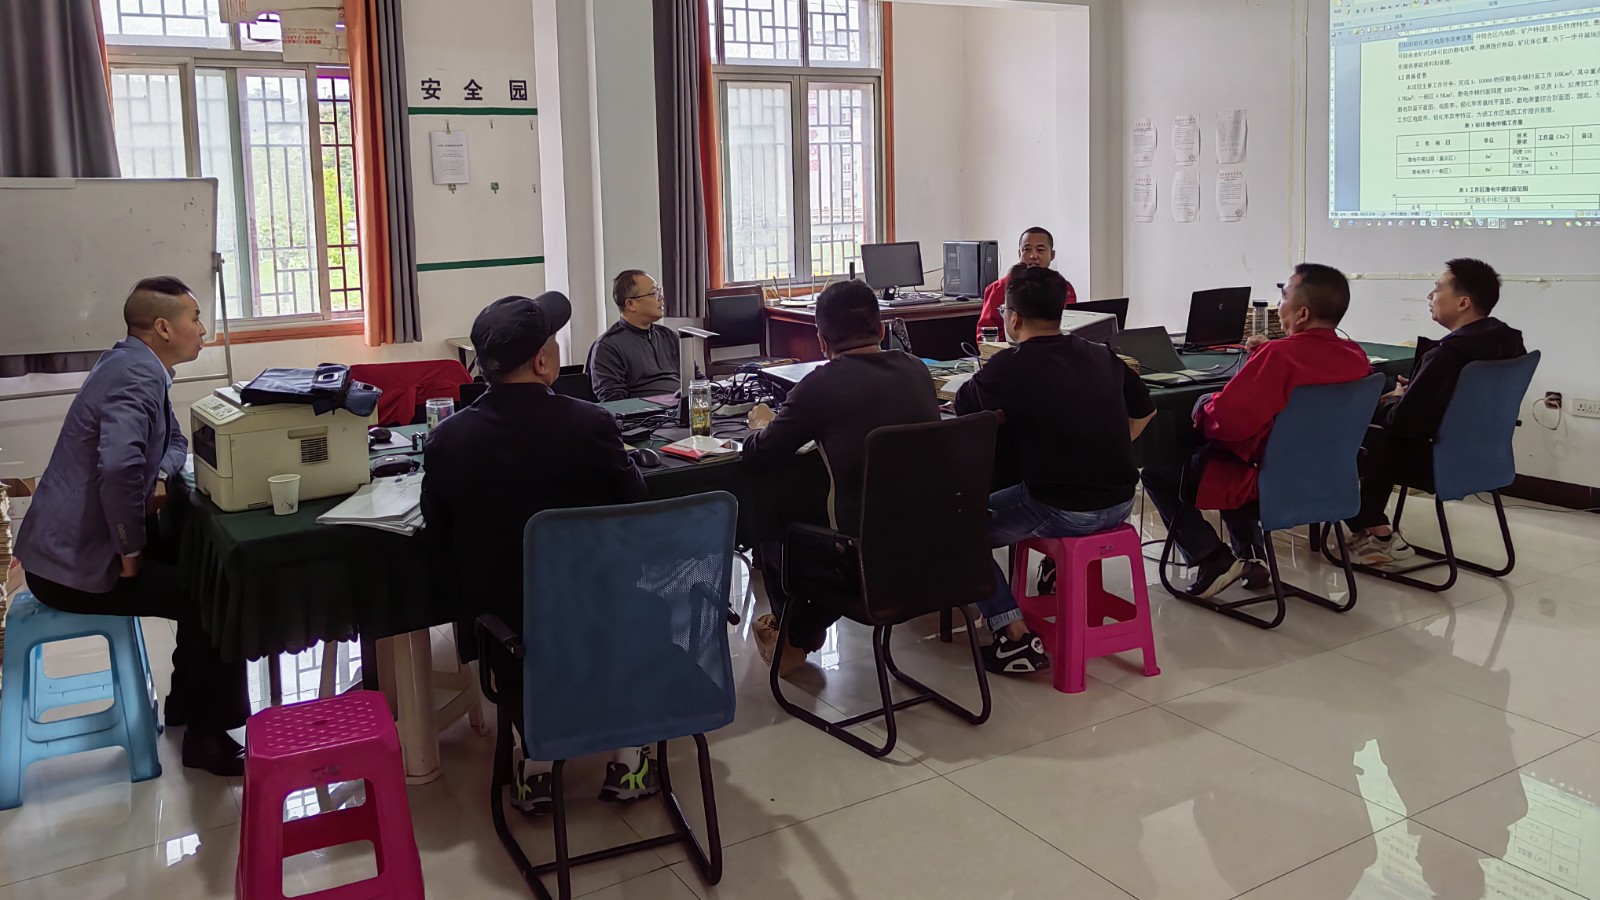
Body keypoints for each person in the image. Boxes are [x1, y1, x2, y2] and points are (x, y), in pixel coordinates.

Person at [422, 292, 656, 813]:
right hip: (602, 621)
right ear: (544, 361)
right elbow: (636, 508)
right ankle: (628, 757)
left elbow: (438, 533)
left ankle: (537, 761)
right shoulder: (591, 424)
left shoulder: (448, 440)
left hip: (507, 636)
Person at [15, 276, 251, 776]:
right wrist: (130, 552)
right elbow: (121, 470)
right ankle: (209, 740)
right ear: (163, 327)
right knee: (214, 594)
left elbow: (176, 444)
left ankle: (186, 705)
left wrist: (160, 475)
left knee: (199, 561)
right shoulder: (136, 376)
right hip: (71, 566)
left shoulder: (133, 364)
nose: (203, 329)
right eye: (195, 319)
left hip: (72, 545)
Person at [954, 266, 1156, 674]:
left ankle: (1012, 634)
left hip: (1061, 507)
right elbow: (1146, 409)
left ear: (1013, 319)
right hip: (1121, 501)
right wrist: (1107, 446)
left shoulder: (1009, 366)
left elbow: (964, 409)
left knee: (956, 529)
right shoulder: (1100, 354)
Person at [742, 279, 941, 676]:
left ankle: (794, 639)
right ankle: (800, 632)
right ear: (881, 330)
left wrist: (765, 423)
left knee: (772, 525)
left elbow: (761, 453)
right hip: (935, 549)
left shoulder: (820, 385)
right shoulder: (917, 370)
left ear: (821, 341)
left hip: (862, 560)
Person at [1141, 263, 1372, 598]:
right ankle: (1252, 556)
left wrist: (1203, 406)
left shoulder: (1280, 356)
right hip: (1327, 479)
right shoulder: (1355, 355)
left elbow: (1228, 422)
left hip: (1267, 481)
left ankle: (1212, 558)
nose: (1279, 305)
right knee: (1239, 453)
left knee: (1160, 471)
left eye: (1284, 296)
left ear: (1302, 313)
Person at [1344, 258, 1526, 565]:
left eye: (1437, 288)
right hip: (1487, 460)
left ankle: (1375, 533)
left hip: (1441, 462)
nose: (1430, 296)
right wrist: (1417, 390)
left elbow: (1404, 424)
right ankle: (1373, 528)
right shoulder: (1509, 343)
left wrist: (1392, 400)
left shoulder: (1448, 354)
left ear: (1463, 302)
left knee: (1356, 438)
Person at [974, 227, 1078, 343]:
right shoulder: (998, 289)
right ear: (1019, 253)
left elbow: (1072, 327)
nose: (1033, 256)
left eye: (1040, 250)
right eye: (1027, 250)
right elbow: (987, 334)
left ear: (1052, 255)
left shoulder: (1063, 288)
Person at [589, 270, 680, 402]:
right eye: (654, 293)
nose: (661, 297)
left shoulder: (668, 336)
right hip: (646, 413)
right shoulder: (608, 346)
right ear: (631, 304)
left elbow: (696, 379)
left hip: (682, 409)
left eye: (659, 291)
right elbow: (614, 401)